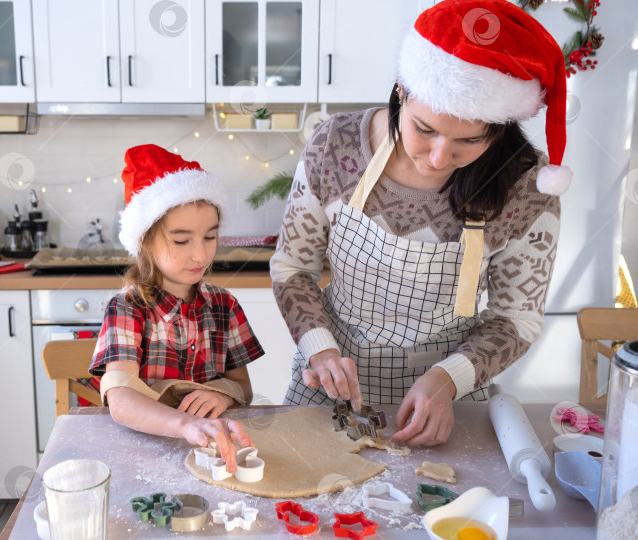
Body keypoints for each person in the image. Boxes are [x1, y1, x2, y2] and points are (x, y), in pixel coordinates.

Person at [270, 0, 570, 447]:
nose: (438, 158)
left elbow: (516, 319)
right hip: (328, 391)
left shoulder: (526, 186)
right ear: (401, 92)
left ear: (500, 128)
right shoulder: (335, 144)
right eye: (424, 129)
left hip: (448, 399)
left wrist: (447, 379)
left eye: (468, 141)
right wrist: (321, 350)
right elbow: (293, 266)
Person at [89, 144, 264, 472]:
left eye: (210, 237)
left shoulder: (224, 306)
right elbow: (121, 401)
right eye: (182, 241)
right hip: (143, 455)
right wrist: (186, 425)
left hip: (212, 452)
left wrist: (222, 396)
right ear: (144, 240)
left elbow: (244, 388)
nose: (200, 255)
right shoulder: (127, 308)